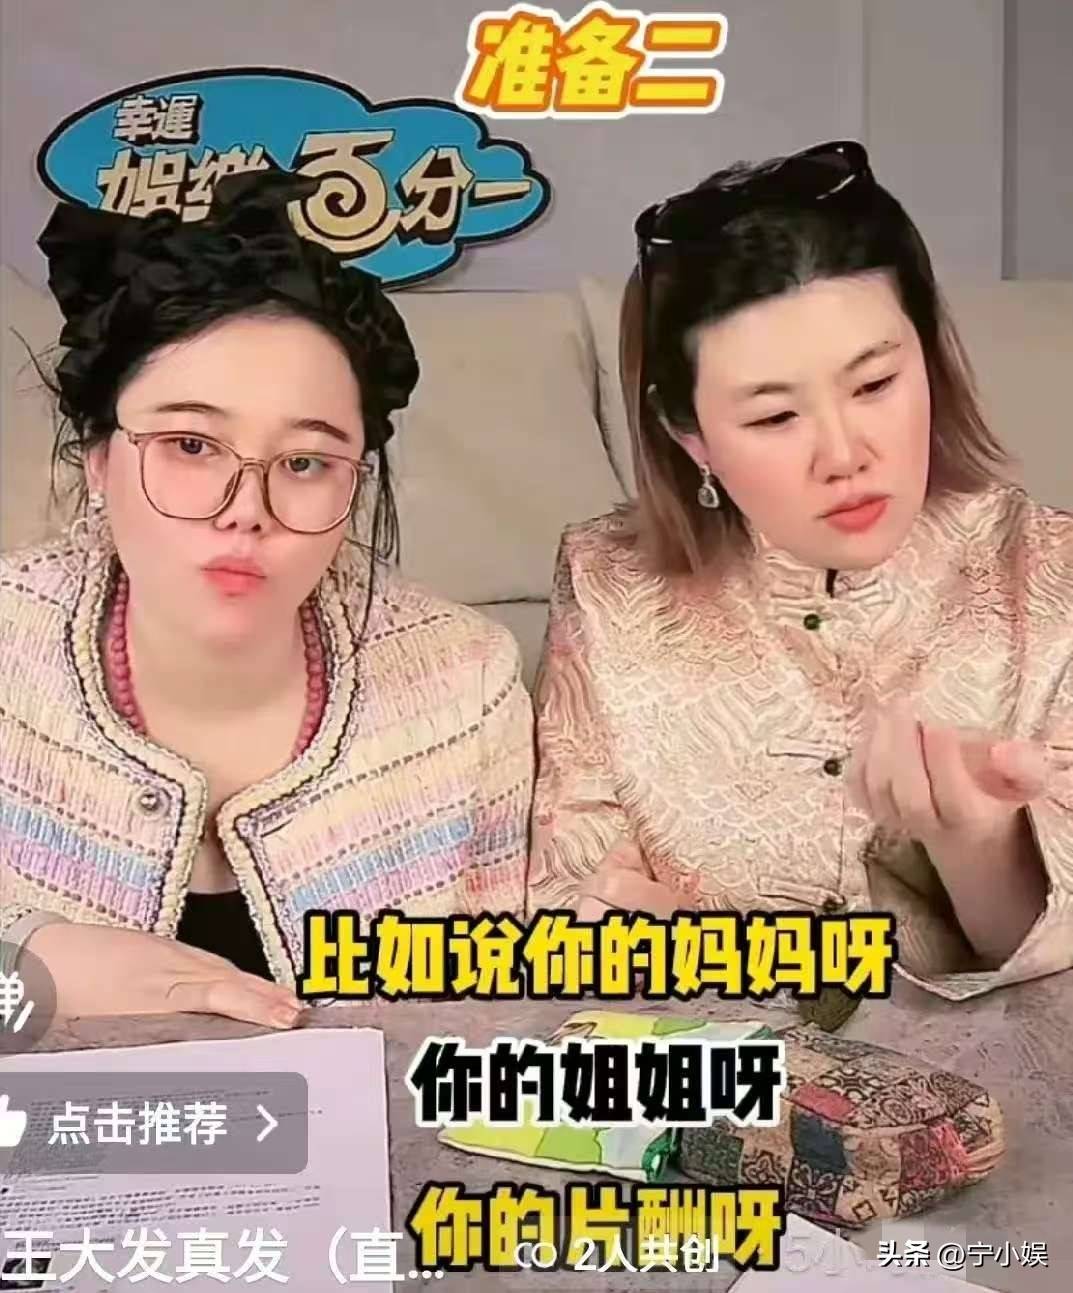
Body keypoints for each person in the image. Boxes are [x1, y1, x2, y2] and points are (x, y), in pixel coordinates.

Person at [528, 140, 1072, 1000]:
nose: (844, 454)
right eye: (775, 417)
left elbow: (1048, 993)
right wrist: (614, 937)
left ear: (928, 359)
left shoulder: (1048, 576)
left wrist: (976, 842)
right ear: (689, 435)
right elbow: (565, 896)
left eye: (874, 384)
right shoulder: (606, 586)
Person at [0, 169, 533, 1028]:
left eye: (306, 462)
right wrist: (28, 969)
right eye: (190, 445)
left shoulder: (464, 683)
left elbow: (503, 998)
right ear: (98, 461)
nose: (246, 509)